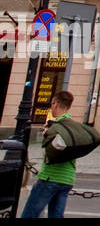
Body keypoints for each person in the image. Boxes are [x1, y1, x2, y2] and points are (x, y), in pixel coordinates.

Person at [21, 90, 78, 218]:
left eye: (52, 103)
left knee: (30, 214)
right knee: (56, 216)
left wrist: (46, 133)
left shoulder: (56, 125)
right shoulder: (73, 126)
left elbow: (49, 151)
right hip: (67, 178)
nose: (51, 107)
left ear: (56, 104)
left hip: (50, 177)